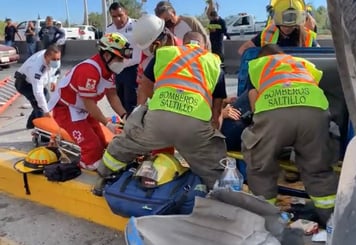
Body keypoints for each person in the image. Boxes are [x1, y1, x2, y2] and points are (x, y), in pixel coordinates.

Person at [95, 26, 227, 195]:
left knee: (123, 145)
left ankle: (102, 177)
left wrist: (143, 113)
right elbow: (217, 109)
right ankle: (220, 197)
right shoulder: (213, 61)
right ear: (204, 45)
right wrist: (212, 132)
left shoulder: (165, 53)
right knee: (212, 165)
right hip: (193, 125)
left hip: (158, 122)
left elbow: (144, 87)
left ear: (184, 42)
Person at [241, 44, 338, 226]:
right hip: (314, 112)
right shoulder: (301, 64)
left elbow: (254, 101)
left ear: (262, 56)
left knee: (261, 167)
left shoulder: (258, 65)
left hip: (274, 114)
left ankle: (265, 221)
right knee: (318, 168)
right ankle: (331, 220)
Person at [47, 33, 130, 171]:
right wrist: (107, 123)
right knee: (92, 148)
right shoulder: (89, 71)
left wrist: (124, 115)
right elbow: (89, 103)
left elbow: (112, 95)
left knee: (103, 143)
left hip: (83, 109)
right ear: (107, 55)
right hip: (65, 109)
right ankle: (85, 166)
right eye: (120, 59)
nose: (122, 63)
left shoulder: (109, 71)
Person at [238, 0, 318, 55]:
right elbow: (242, 50)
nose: (287, 28)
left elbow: (321, 55)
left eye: (291, 25)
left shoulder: (307, 36)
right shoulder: (267, 35)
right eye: (284, 24)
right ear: (276, 18)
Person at [106, 2, 142, 115]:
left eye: (120, 15)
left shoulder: (137, 25)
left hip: (133, 70)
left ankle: (134, 128)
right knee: (120, 100)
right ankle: (125, 125)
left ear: (126, 13)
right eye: (114, 16)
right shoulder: (109, 29)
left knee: (132, 102)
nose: (117, 19)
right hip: (117, 70)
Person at [14, 44, 61, 129]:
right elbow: (38, 92)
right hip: (24, 84)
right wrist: (46, 112)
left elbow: (57, 70)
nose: (56, 61)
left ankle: (30, 125)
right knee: (41, 108)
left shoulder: (53, 57)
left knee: (46, 102)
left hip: (35, 83)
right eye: (54, 59)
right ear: (46, 57)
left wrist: (54, 81)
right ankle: (42, 133)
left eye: (58, 59)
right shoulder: (37, 68)